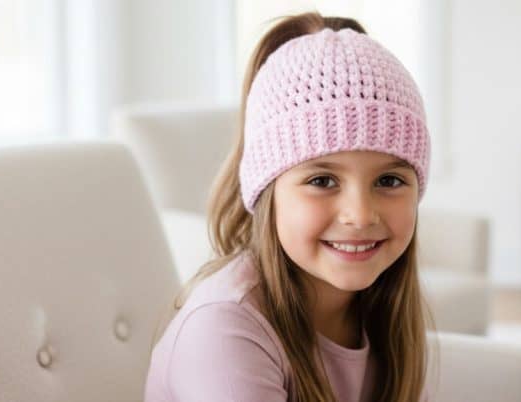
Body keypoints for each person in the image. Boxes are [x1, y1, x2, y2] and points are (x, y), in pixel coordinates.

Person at [144, 11, 436, 402]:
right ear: (269, 191)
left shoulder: (381, 306)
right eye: (322, 181)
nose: (361, 215)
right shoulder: (224, 329)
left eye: (389, 181)